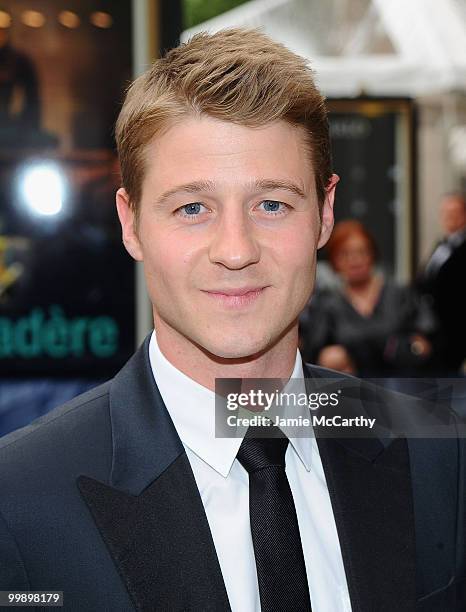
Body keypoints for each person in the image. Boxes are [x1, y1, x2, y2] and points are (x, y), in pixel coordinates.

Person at [0, 29, 464, 611]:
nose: (236, 249)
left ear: (324, 213)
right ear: (131, 222)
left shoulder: (439, 455)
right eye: (192, 208)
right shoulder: (19, 498)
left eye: (272, 204)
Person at [300, 220, 436, 376]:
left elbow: (426, 341)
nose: (354, 260)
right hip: (349, 390)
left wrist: (411, 350)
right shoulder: (328, 303)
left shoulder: (399, 294)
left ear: (373, 254)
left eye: (361, 252)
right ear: (334, 261)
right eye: (345, 254)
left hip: (402, 385)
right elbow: (314, 353)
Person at [417, 193, 466, 374]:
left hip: (455, 327)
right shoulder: (441, 244)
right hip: (432, 325)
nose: (449, 218)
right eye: (445, 213)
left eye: (455, 213)